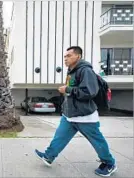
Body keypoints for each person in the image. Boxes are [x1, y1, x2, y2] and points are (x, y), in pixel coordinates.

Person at [34, 46, 117, 177]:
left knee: (97, 141)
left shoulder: (85, 71)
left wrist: (67, 90)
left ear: (78, 56)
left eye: (69, 56)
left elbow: (89, 92)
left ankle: (109, 163)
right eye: (65, 56)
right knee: (59, 137)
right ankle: (48, 156)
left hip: (85, 116)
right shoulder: (71, 71)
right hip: (69, 115)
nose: (65, 58)